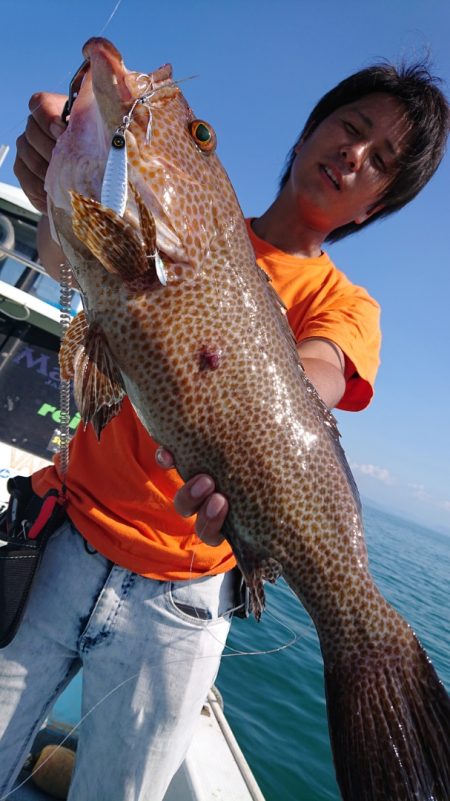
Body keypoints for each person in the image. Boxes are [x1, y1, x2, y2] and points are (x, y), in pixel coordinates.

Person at [2, 61, 448, 800]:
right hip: (65, 537)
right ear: (307, 133)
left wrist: (259, 413)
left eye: (381, 161)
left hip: (179, 605)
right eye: (351, 127)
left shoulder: (348, 306)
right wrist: (53, 195)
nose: (354, 154)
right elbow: (72, 264)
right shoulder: (185, 218)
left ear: (375, 206)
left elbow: (319, 375)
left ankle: (364, 646)